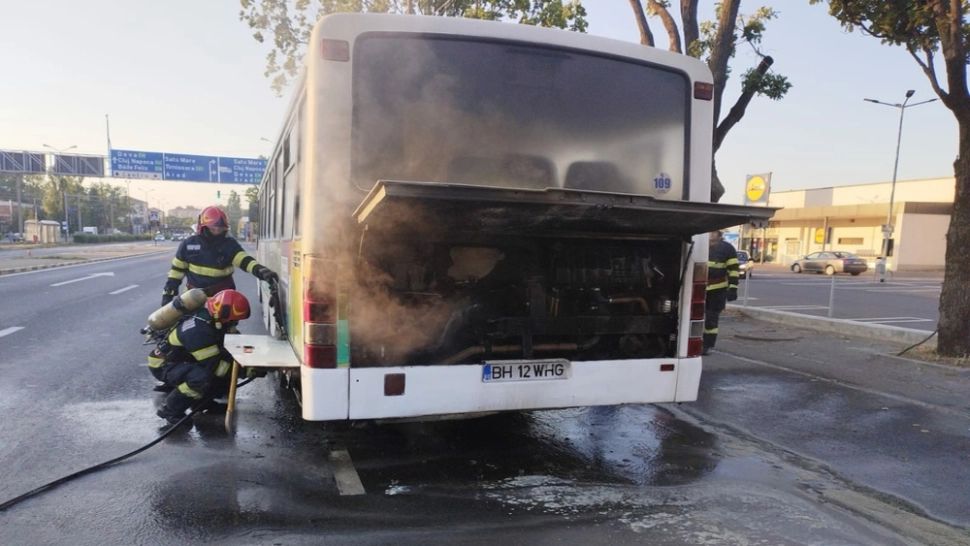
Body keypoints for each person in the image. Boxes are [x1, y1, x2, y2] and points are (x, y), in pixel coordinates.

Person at [148, 289, 251, 425]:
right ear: (223, 314)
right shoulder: (198, 331)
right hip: (163, 364)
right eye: (233, 320)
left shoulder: (210, 316)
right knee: (201, 377)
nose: (234, 323)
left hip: (184, 359)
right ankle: (170, 410)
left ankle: (203, 404)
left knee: (220, 369)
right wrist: (246, 371)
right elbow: (214, 366)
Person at [161, 205, 278, 306]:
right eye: (213, 228)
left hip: (223, 299)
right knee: (178, 323)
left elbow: (244, 261)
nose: (217, 231)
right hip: (193, 298)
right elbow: (176, 272)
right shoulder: (188, 244)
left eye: (220, 228)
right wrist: (168, 294)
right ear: (203, 227)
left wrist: (260, 270)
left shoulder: (229, 244)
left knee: (231, 323)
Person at [704, 230, 739, 355]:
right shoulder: (699, 245)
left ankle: (707, 345)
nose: (710, 234)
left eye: (713, 232)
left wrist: (733, 288)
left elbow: (733, 270)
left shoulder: (727, 249)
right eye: (709, 232)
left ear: (719, 234)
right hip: (698, 288)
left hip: (717, 290)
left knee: (711, 319)